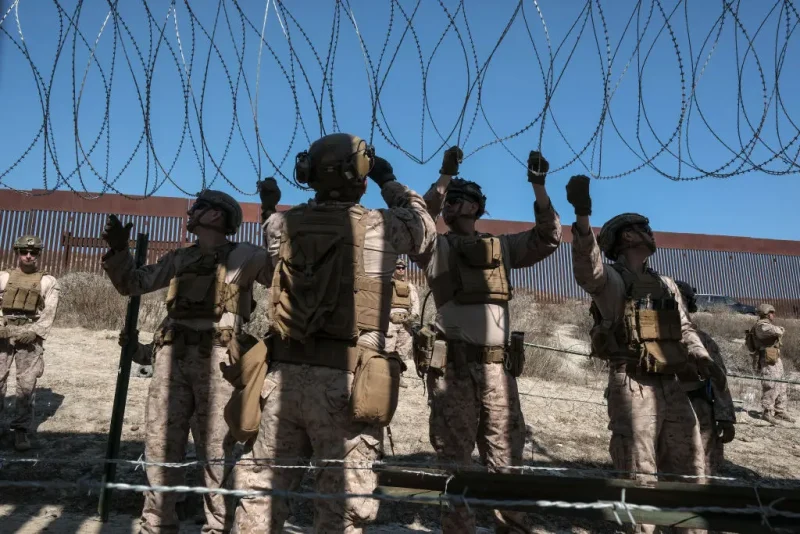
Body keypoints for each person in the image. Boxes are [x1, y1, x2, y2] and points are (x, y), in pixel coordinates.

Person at [232, 133, 437, 533]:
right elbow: (424, 225)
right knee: (341, 508)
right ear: (360, 173)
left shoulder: (281, 225)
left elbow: (273, 236)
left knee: (260, 496)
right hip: (346, 385)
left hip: (281, 382)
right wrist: (389, 179)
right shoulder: (383, 225)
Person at [102, 189, 273, 534]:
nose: (190, 213)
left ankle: (218, 527)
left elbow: (284, 280)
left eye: (198, 208)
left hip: (218, 361)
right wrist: (119, 252)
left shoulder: (245, 256)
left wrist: (271, 216)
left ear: (215, 216)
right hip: (171, 359)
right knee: (161, 444)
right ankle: (158, 524)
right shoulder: (179, 258)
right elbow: (133, 284)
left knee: (217, 448)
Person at [408, 147, 562, 533]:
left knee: (506, 460)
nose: (450, 205)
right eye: (449, 200)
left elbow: (549, 236)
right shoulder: (436, 247)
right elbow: (414, 223)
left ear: (477, 207)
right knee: (454, 461)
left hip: (498, 369)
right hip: (454, 369)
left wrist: (539, 188)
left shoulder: (503, 248)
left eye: (460, 199)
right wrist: (443, 178)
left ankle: (510, 527)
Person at [566, 175, 726, 533]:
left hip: (673, 385)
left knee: (690, 471)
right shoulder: (611, 281)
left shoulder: (667, 285)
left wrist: (703, 359)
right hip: (633, 382)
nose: (650, 233)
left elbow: (684, 329)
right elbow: (586, 271)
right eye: (642, 228)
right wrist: (582, 217)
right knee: (639, 475)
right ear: (626, 237)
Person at [0, 235, 61, 451]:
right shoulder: (4, 277)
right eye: (24, 252)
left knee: (26, 385)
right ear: (17, 252)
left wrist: (34, 332)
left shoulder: (48, 281)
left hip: (30, 337)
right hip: (3, 334)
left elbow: (49, 312)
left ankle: (21, 430)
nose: (28, 256)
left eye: (33, 252)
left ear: (38, 255)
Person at [675, 281, 736, 475]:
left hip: (695, 407)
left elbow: (718, 380)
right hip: (670, 409)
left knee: (702, 469)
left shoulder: (700, 339)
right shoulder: (649, 337)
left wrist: (725, 418)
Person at [747, 303, 795, 425]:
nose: (773, 315)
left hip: (774, 358)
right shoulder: (761, 326)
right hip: (767, 359)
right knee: (771, 384)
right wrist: (780, 329)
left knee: (782, 384)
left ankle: (779, 411)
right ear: (766, 313)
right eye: (772, 312)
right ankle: (767, 412)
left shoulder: (766, 325)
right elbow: (777, 331)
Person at [384, 258, 420, 363]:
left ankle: (399, 376)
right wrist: (389, 315)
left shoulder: (410, 286)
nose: (401, 270)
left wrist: (412, 316)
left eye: (403, 267)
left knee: (402, 352)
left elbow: (415, 302)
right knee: (387, 351)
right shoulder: (388, 285)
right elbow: (382, 302)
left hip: (405, 323)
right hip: (391, 322)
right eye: (398, 267)